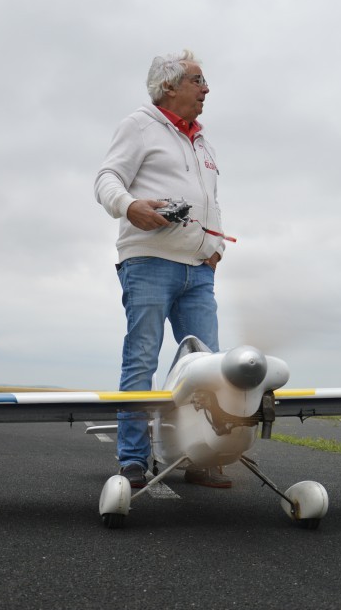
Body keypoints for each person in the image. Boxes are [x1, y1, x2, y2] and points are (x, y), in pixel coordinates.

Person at [95, 49, 230, 489]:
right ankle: (133, 460)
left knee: (206, 368)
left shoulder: (203, 141)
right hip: (149, 262)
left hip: (199, 270)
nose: (206, 88)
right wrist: (130, 206)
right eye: (198, 80)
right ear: (169, 86)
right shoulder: (138, 126)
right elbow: (106, 178)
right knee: (142, 359)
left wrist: (215, 248)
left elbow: (211, 199)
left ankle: (199, 457)